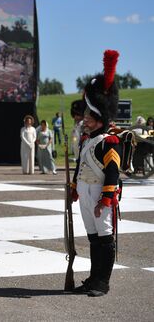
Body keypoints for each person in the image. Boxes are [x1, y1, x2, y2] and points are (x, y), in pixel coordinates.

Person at [71, 50, 121, 297]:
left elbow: (112, 173)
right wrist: (73, 188)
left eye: (90, 115)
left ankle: (103, 282)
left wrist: (106, 199)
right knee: (93, 238)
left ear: (100, 116)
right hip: (85, 195)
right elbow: (81, 165)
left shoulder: (108, 141)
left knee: (104, 237)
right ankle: (93, 278)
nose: (86, 119)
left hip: (101, 199)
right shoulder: (86, 140)